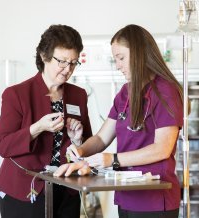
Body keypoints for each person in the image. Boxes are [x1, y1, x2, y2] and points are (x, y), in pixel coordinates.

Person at [54, 24, 184, 218]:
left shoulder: (165, 91)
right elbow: (101, 139)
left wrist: (112, 159)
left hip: (155, 200)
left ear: (140, 53)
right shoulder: (125, 93)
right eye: (115, 59)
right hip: (127, 195)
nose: (118, 66)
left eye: (121, 58)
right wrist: (79, 152)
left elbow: (162, 149)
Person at [0, 24, 92, 218]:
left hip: (67, 189)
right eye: (62, 62)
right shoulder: (17, 94)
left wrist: (78, 140)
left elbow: (89, 143)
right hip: (25, 190)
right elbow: (2, 145)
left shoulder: (78, 95)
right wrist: (37, 128)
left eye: (73, 63)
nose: (68, 69)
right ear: (43, 56)